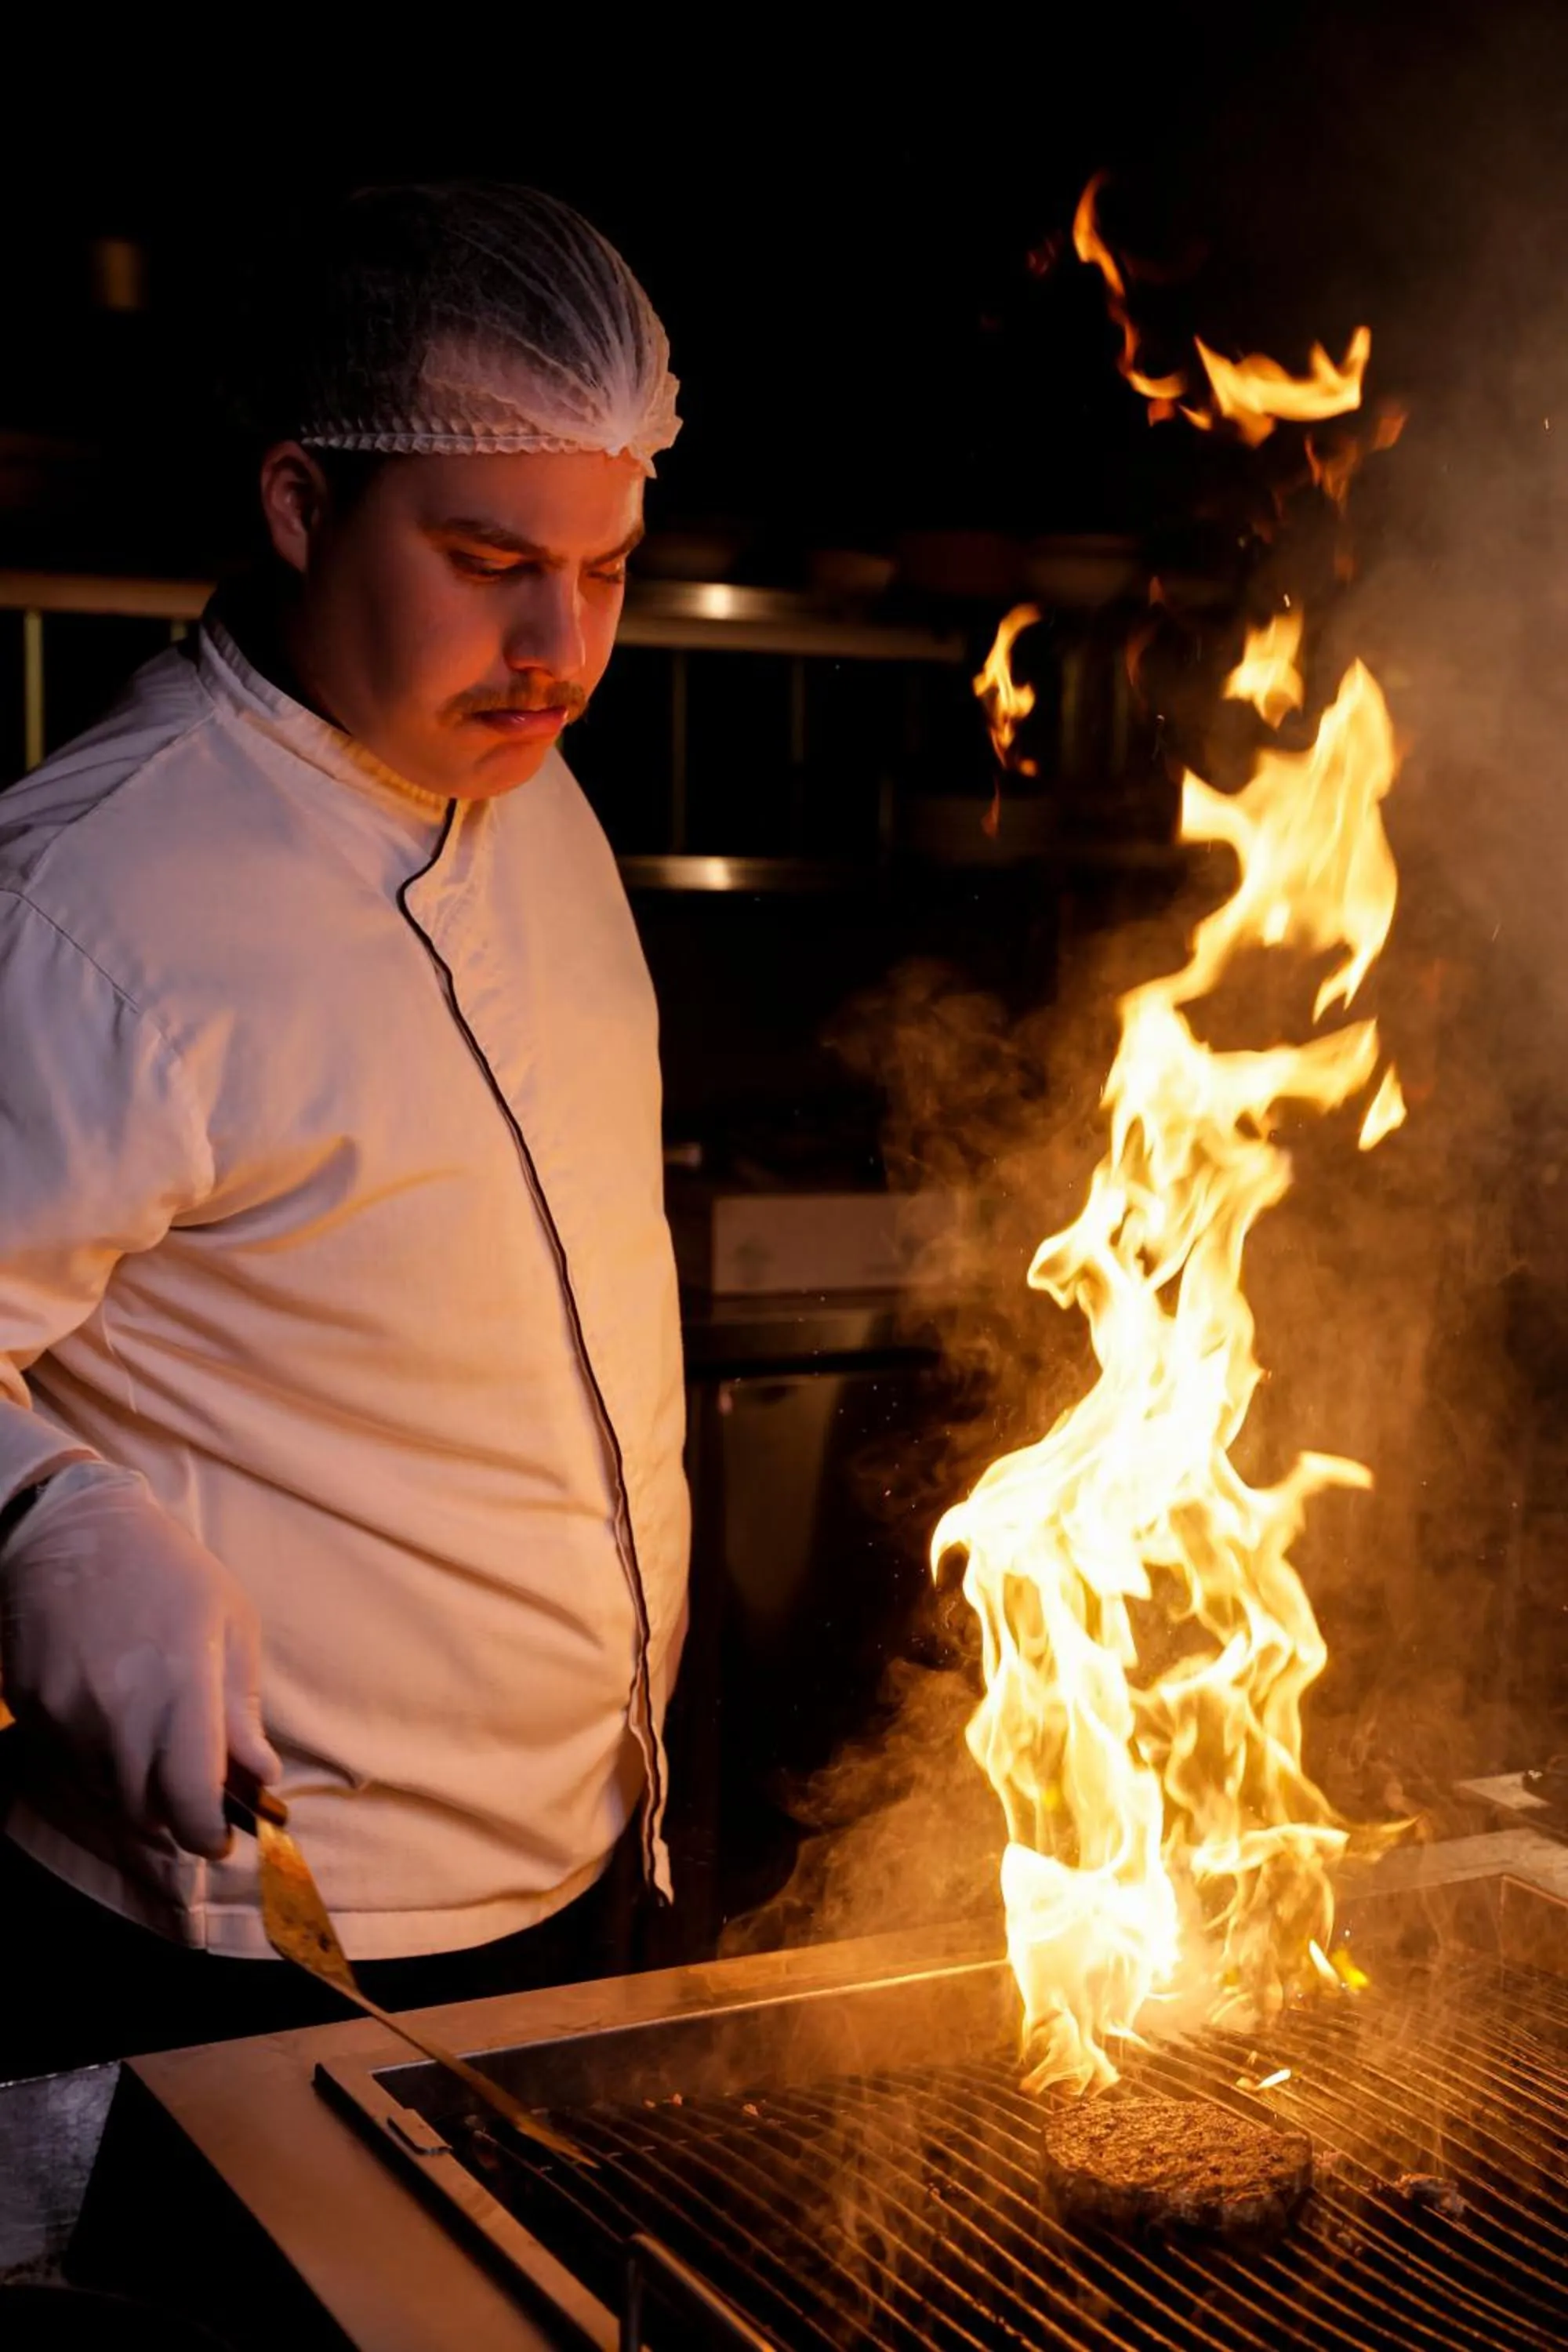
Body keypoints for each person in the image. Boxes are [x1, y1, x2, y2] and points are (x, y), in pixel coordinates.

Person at [0, 183, 689, 2074]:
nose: (562, 644)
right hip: (256, 1939)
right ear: (302, 507)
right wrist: (39, 1517)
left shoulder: (531, 795)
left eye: (610, 567)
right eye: (488, 559)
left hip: (588, 1861)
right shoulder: (90, 903)